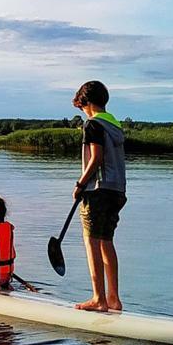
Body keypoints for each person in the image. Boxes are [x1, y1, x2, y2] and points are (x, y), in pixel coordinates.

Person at [71, 80, 127, 312]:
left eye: (82, 107)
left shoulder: (92, 125)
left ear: (87, 103)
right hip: (118, 190)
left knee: (91, 242)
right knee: (106, 242)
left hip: (98, 190)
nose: (83, 111)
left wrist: (80, 184)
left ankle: (98, 299)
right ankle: (113, 298)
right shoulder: (115, 125)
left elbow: (96, 159)